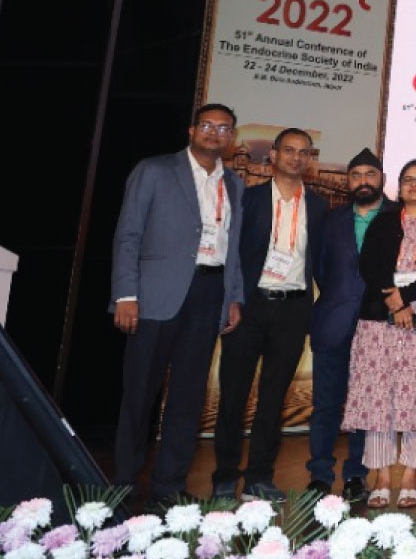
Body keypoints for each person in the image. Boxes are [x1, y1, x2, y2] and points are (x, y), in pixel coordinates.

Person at [109, 103, 246, 505]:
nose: (215, 133)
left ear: (232, 137)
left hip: (210, 293)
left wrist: (233, 297)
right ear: (191, 130)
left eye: (224, 128)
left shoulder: (234, 183)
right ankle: (124, 482)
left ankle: (169, 485)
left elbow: (232, 245)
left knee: (188, 397)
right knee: (140, 394)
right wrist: (126, 294)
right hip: (155, 295)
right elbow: (128, 234)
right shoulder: (154, 170)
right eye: (207, 125)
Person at [212, 128, 329, 502]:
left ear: (310, 159)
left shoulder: (319, 207)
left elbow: (321, 262)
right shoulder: (249, 199)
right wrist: (231, 299)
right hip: (249, 307)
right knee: (233, 395)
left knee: (273, 398)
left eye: (304, 152)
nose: (296, 157)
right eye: (289, 150)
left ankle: (260, 477)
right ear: (274, 156)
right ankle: (225, 476)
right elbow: (230, 255)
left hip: (293, 310)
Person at [342, 159, 416, 509]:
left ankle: (410, 476)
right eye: (408, 179)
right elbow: (370, 265)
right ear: (400, 186)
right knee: (378, 398)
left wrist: (405, 297)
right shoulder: (385, 221)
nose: (415, 185)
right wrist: (394, 302)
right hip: (381, 321)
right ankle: (381, 477)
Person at [306, 149, 390, 500]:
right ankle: (320, 475)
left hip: (382, 326)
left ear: (382, 179)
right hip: (333, 322)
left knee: (366, 405)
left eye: (370, 174)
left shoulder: (399, 216)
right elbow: (321, 268)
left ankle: (357, 474)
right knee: (326, 405)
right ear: (348, 181)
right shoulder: (331, 219)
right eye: (356, 175)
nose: (363, 181)